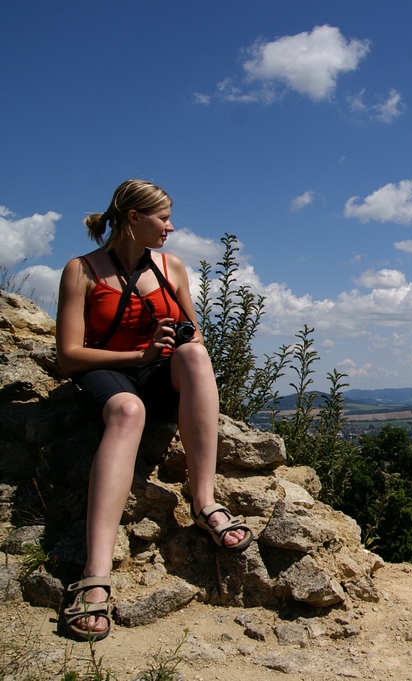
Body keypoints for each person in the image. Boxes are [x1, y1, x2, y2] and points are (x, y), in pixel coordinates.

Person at [55, 179, 253, 641]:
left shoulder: (171, 267)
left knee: (196, 356)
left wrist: (179, 340)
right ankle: (96, 574)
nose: (170, 226)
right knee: (128, 412)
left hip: (159, 372)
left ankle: (204, 501)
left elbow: (193, 332)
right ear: (133, 218)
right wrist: (140, 356)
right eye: (162, 218)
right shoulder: (81, 270)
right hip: (106, 373)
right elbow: (69, 355)